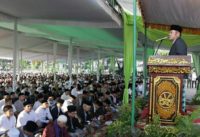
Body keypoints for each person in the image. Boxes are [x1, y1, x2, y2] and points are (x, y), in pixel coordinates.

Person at [168, 25, 187, 112]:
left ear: (177, 34)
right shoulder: (176, 42)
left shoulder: (179, 43)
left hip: (179, 76)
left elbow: (181, 59)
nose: (169, 34)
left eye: (171, 32)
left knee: (179, 100)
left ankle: (179, 115)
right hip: (176, 76)